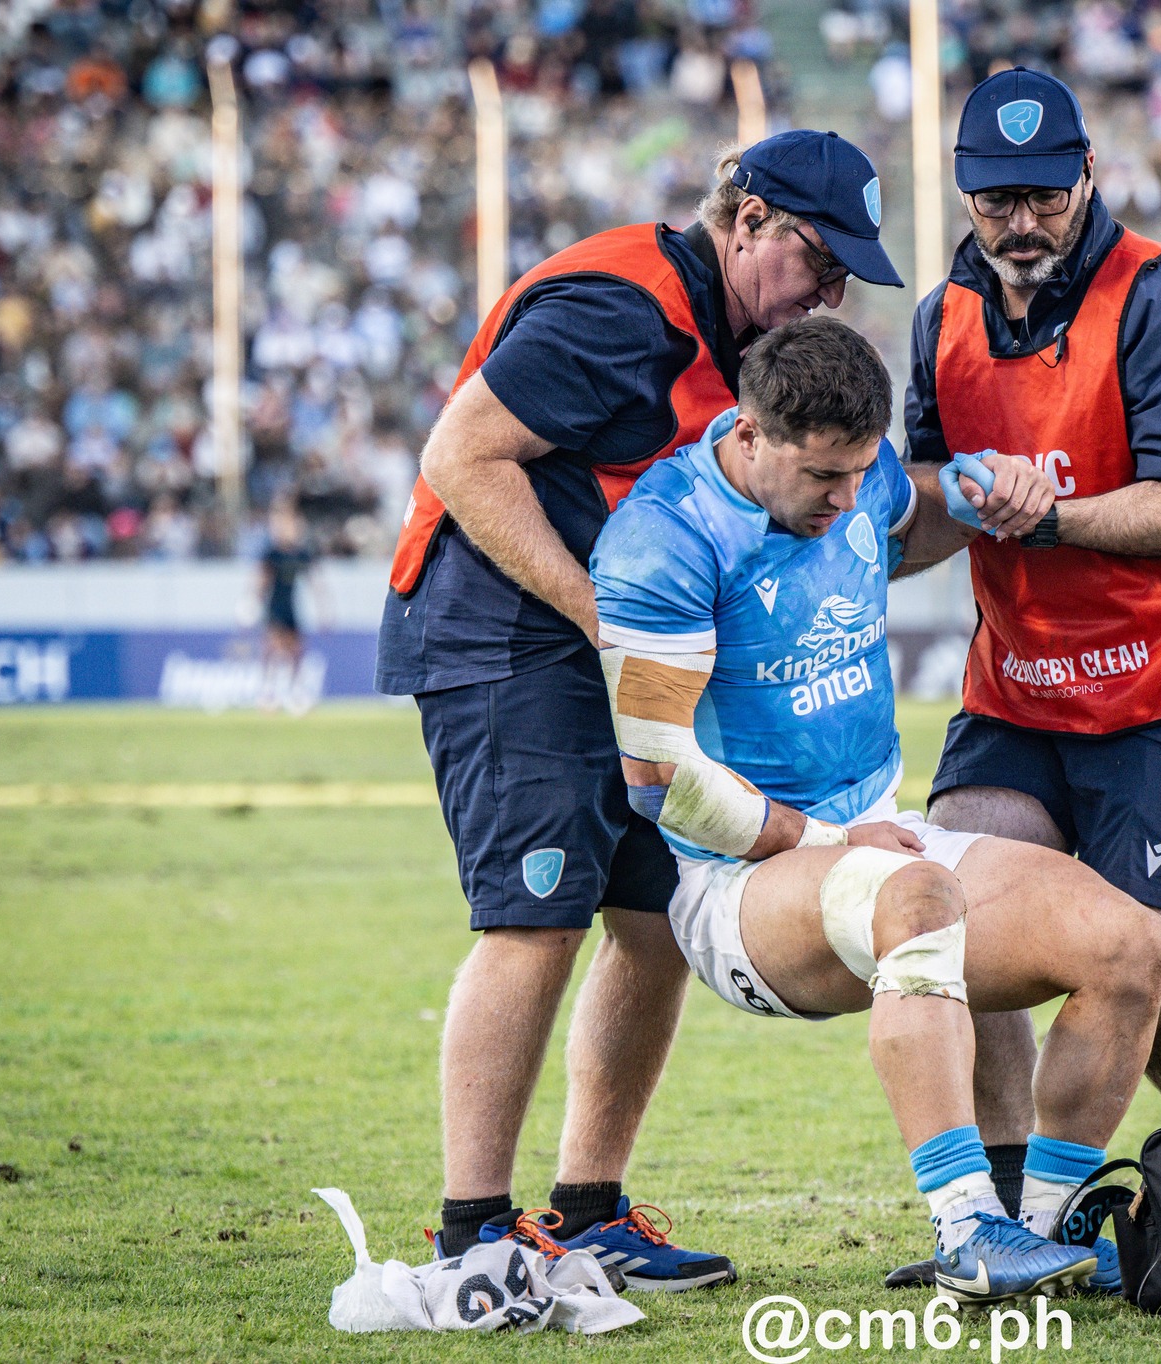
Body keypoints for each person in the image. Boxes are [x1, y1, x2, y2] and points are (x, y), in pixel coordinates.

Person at [373, 129, 903, 1283]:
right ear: (747, 219)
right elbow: (460, 456)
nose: (829, 292)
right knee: (535, 913)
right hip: (505, 628)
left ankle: (585, 1211)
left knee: (655, 912)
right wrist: (602, 619)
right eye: (818, 260)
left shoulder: (738, 336)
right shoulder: (619, 309)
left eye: (843, 274)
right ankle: (472, 1231)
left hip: (590, 631)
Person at [590, 316, 1161, 1303]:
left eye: (862, 471)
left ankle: (1041, 1233)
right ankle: (966, 1229)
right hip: (738, 882)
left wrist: (978, 499)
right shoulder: (664, 539)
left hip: (882, 836)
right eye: (824, 475)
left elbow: (907, 525)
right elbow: (661, 779)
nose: (847, 497)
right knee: (914, 896)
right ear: (749, 433)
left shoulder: (859, 480)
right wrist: (830, 836)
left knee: (1131, 943)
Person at [893, 67, 1161, 1286]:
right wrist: (877, 520)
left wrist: (1040, 509)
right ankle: (1006, 1214)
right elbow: (925, 509)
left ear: (1087, 177)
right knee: (954, 912)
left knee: (1124, 949)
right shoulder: (940, 318)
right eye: (994, 200)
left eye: (1043, 196)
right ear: (963, 193)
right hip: (1021, 672)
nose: (1020, 222)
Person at [257, 499, 317, 713]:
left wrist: (324, 607)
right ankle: (268, 691)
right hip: (275, 605)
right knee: (272, 648)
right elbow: (262, 579)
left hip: (290, 606)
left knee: (296, 651)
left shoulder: (300, 553)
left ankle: (295, 691)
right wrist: (253, 600)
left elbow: (314, 580)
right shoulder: (272, 553)